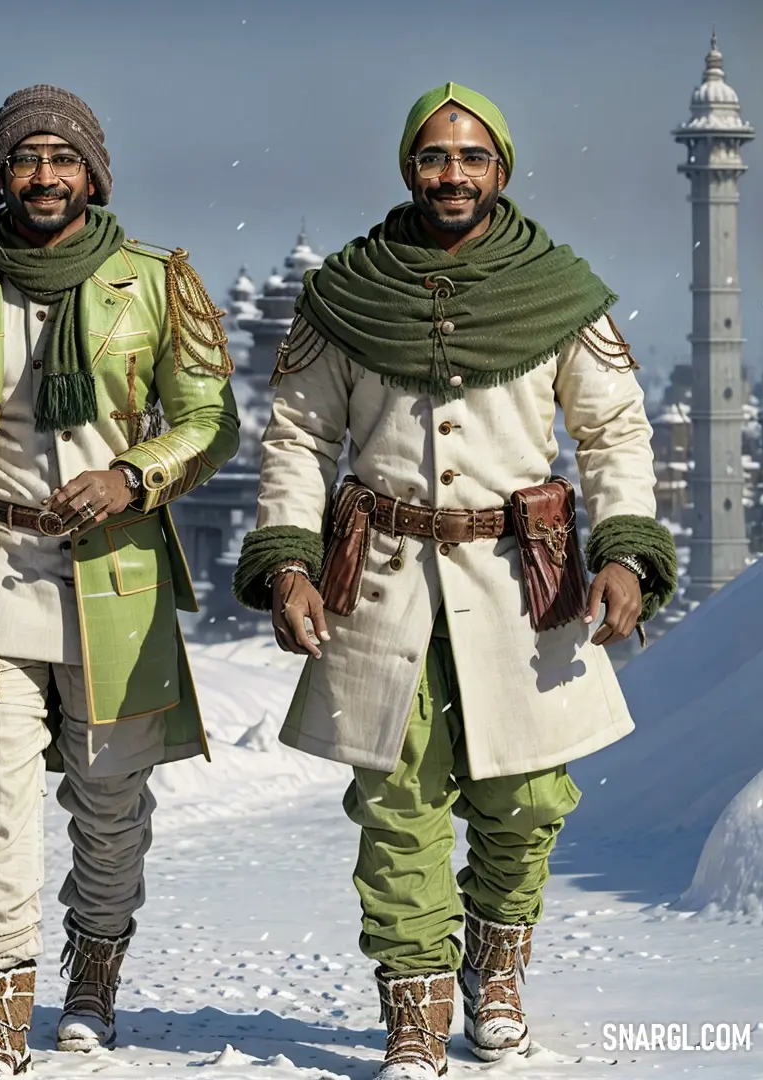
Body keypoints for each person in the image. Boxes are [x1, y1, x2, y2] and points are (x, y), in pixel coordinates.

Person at [233, 82, 676, 1078]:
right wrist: (288, 562)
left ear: (501, 170)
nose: (453, 174)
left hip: (525, 587)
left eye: (472, 157)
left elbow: (614, 431)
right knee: (396, 807)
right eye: (435, 156)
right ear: (408, 167)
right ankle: (415, 1005)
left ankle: (497, 967)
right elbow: (298, 437)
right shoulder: (347, 292)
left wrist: (627, 551)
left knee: (524, 804)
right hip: (381, 583)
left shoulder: (559, 291)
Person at [0, 84, 239, 1079]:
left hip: (118, 582)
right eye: (27, 158)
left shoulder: (153, 283)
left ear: (93, 173)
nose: (46, 175)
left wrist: (134, 475)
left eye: (64, 157)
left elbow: (211, 419)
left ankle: (92, 976)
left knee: (110, 807)